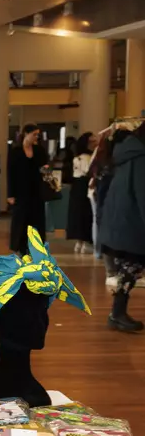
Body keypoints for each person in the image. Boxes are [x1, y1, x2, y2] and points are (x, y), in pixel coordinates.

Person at [98, 122, 145, 332]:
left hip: (120, 220)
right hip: (132, 223)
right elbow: (142, 193)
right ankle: (117, 313)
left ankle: (117, 313)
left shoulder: (126, 153)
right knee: (132, 267)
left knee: (129, 268)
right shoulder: (140, 157)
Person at [91, 129, 132, 287]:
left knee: (111, 237)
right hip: (112, 206)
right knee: (113, 239)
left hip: (108, 205)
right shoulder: (114, 163)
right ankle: (113, 272)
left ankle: (114, 272)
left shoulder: (105, 161)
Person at [7, 124, 49, 254]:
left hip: (36, 189)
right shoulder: (15, 151)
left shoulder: (40, 150)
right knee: (21, 219)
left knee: (36, 219)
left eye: (37, 135)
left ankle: (36, 246)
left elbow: (44, 166)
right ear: (26, 133)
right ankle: (20, 246)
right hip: (20, 190)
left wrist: (46, 169)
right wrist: (10, 194)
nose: (36, 137)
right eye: (34, 134)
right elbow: (11, 173)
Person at [66, 132, 95, 253]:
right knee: (86, 213)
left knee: (77, 214)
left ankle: (79, 242)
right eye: (92, 142)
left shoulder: (76, 158)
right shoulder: (88, 158)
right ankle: (85, 242)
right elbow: (89, 172)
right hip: (85, 186)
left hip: (77, 187)